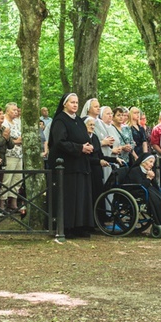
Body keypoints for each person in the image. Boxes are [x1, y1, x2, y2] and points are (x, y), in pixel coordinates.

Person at [47, 93, 93, 238]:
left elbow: (85, 137)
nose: (75, 105)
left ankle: (80, 225)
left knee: (81, 196)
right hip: (67, 166)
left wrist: (88, 146)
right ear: (64, 104)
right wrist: (80, 148)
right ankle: (67, 227)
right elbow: (60, 142)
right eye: (72, 102)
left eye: (77, 102)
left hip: (80, 164)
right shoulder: (60, 120)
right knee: (69, 197)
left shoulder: (78, 120)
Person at [128, 153, 161, 238]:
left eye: (153, 163)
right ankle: (160, 224)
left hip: (149, 191)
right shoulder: (135, 171)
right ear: (143, 162)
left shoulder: (147, 171)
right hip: (139, 192)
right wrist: (148, 178)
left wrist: (152, 178)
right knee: (157, 203)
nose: (152, 164)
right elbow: (140, 186)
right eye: (150, 162)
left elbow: (155, 187)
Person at [1, 102, 24, 212]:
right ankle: (2, 204)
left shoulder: (16, 122)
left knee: (17, 179)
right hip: (9, 154)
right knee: (7, 179)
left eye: (16, 110)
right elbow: (4, 140)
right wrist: (16, 141)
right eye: (13, 110)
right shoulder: (4, 122)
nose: (16, 112)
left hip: (19, 154)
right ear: (7, 111)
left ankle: (13, 202)